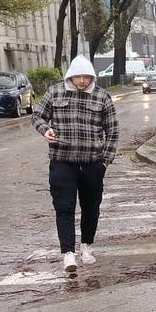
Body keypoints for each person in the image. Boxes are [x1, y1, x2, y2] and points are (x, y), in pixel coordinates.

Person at [32, 55, 119, 275]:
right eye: (78, 76)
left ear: (92, 76)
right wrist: (45, 130)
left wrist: (105, 162)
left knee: (91, 207)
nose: (82, 81)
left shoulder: (102, 97)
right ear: (70, 75)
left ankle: (86, 246)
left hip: (92, 163)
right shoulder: (55, 92)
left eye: (86, 77)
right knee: (64, 207)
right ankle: (68, 253)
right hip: (62, 161)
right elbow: (37, 116)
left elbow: (113, 131)